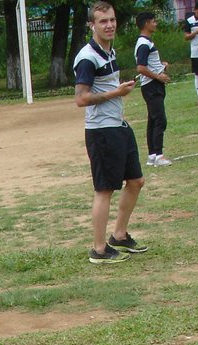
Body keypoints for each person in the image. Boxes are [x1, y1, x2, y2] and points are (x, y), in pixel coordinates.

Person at [74, 1, 146, 264]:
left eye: (112, 20)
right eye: (103, 21)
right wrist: (117, 92)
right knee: (104, 190)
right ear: (92, 25)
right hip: (101, 131)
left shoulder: (108, 51)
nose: (109, 25)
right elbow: (81, 99)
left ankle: (119, 235)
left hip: (118, 126)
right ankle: (99, 249)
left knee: (136, 180)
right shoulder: (87, 57)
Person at [135, 12, 171, 167]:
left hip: (152, 85)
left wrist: (160, 65)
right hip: (151, 86)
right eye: (154, 21)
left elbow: (147, 64)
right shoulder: (144, 44)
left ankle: (152, 155)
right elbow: (141, 68)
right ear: (146, 24)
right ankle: (159, 156)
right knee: (160, 120)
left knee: (152, 120)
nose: (156, 24)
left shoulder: (147, 42)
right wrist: (159, 76)